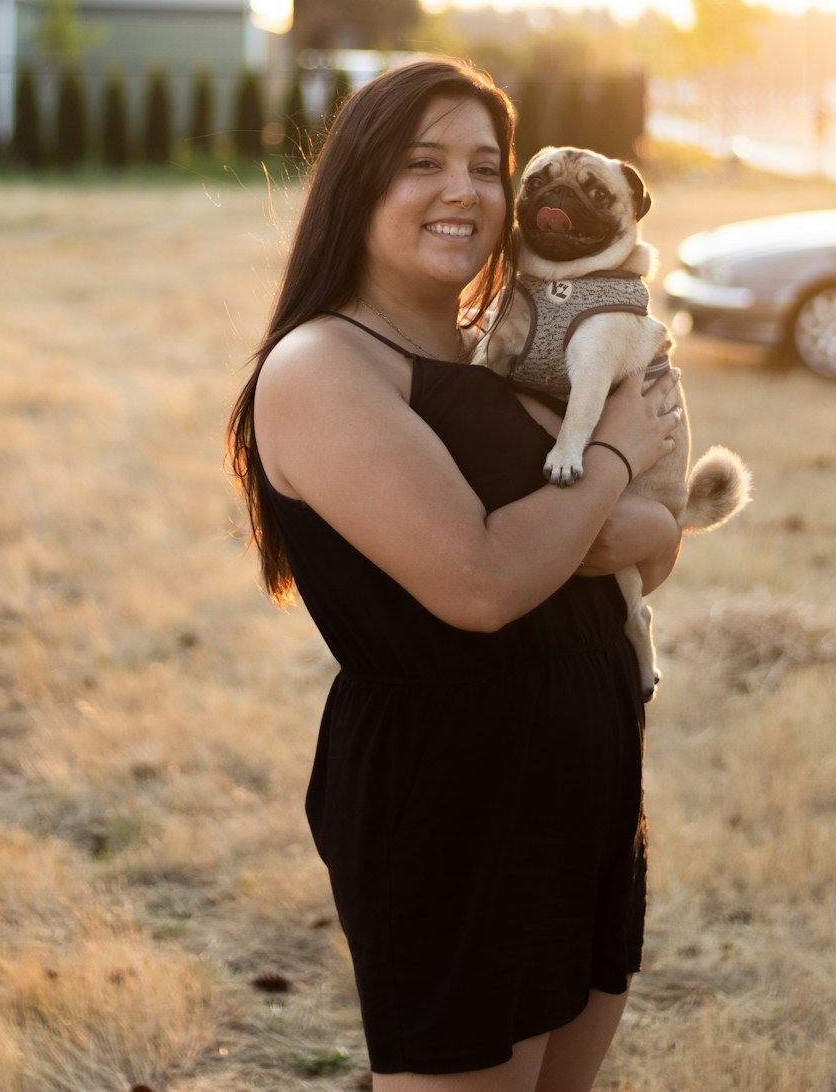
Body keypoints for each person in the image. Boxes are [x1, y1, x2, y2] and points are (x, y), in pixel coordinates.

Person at [228, 57, 683, 1092]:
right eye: (422, 162)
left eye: (487, 166)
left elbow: (652, 551)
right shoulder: (322, 367)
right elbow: (480, 584)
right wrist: (607, 459)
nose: (462, 192)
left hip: (587, 775)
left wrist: (595, 521)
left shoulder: (502, 354)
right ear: (358, 182)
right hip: (454, 800)